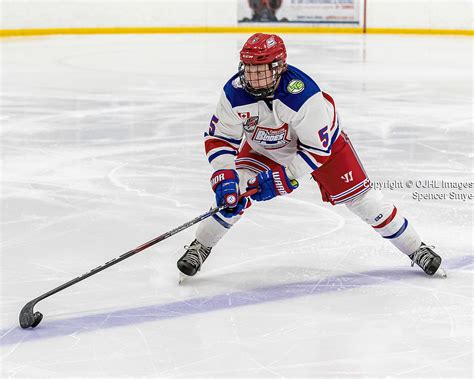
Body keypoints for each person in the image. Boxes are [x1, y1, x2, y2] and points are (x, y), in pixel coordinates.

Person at [177, 33, 444, 280]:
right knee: (235, 192)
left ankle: (415, 247)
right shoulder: (233, 92)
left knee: (365, 202)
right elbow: (220, 138)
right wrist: (224, 173)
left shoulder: (305, 96)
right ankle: (200, 247)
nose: (253, 77)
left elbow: (317, 150)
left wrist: (286, 177)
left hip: (324, 148)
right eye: (249, 69)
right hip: (265, 146)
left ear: (279, 67)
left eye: (260, 70)